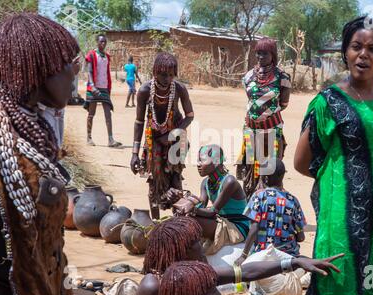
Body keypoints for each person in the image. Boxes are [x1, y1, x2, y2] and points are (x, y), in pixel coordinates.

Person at [294, 16, 373, 295]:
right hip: (343, 222)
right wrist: (347, 178)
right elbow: (301, 163)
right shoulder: (329, 102)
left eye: (372, 48)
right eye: (355, 46)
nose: (363, 54)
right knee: (339, 287)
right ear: (345, 51)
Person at [0, 13, 80, 295]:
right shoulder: (3, 150)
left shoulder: (35, 131)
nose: (74, 71)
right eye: (65, 63)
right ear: (37, 70)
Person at [136, 216, 344, 295]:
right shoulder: (153, 285)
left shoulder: (199, 272)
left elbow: (246, 272)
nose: (201, 247)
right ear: (176, 251)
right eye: (195, 244)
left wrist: (294, 262)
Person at [130, 53, 194, 220]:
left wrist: (172, 135)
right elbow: (138, 121)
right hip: (154, 140)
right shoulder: (145, 90)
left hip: (176, 139)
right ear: (155, 72)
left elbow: (189, 115)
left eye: (171, 75)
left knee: (175, 178)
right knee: (154, 181)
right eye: (164, 74)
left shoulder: (179, 89)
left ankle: (178, 222)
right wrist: (134, 154)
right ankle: (156, 224)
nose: (167, 79)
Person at [236, 38, 292, 199]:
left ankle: (268, 207)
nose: (260, 56)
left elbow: (284, 103)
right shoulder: (248, 76)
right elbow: (250, 100)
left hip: (272, 130)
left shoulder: (282, 77)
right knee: (250, 169)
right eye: (258, 53)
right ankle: (250, 205)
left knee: (269, 170)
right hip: (250, 129)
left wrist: (266, 115)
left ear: (272, 54)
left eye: (264, 53)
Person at [158, 254, 344, 295]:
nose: (217, 293)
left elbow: (246, 272)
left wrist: (294, 262)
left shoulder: (197, 276)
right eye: (208, 290)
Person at [235, 158, 306, 266]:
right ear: (282, 176)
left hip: (263, 254)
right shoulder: (293, 201)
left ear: (265, 178)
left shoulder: (258, 196)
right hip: (288, 255)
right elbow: (301, 238)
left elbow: (254, 228)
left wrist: (244, 255)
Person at [185, 145, 250, 255]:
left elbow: (212, 212)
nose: (198, 165)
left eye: (203, 160)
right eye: (198, 160)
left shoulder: (229, 182)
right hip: (222, 221)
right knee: (185, 218)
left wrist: (192, 210)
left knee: (192, 221)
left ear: (215, 162)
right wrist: (185, 201)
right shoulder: (206, 183)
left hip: (237, 227)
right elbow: (202, 205)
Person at [136, 216, 205, 295]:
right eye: (197, 241)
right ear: (183, 251)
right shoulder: (152, 286)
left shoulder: (196, 270)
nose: (201, 245)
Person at [84, 34, 122, 147]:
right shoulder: (92, 55)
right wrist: (92, 85)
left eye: (105, 42)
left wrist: (108, 87)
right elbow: (90, 71)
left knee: (108, 113)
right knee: (91, 113)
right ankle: (89, 138)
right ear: (97, 42)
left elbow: (106, 72)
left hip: (104, 87)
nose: (103, 44)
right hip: (93, 87)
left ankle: (110, 139)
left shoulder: (106, 57)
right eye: (101, 42)